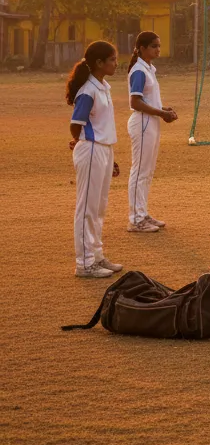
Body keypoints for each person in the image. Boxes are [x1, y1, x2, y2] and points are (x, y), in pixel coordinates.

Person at [67, 41, 123, 279]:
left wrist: (110, 155)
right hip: (91, 150)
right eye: (111, 59)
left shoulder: (103, 86)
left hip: (103, 149)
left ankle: (97, 255)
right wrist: (82, 142)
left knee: (99, 207)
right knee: (87, 208)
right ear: (99, 63)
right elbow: (75, 124)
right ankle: (84, 263)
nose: (115, 63)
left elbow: (101, 125)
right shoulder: (88, 91)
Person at [125, 31, 178, 233]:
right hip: (143, 122)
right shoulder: (139, 70)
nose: (158, 49)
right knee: (139, 171)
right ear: (142, 49)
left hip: (151, 121)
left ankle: (142, 213)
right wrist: (161, 113)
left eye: (159, 45)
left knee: (146, 171)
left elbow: (147, 100)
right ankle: (135, 219)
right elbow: (135, 102)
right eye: (154, 46)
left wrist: (163, 110)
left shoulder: (148, 69)